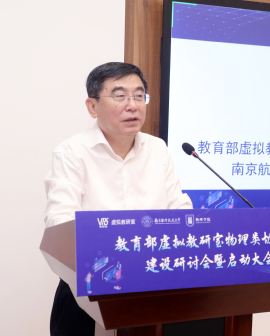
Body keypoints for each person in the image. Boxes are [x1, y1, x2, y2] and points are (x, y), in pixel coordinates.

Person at [45, 62, 192, 336]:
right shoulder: (72, 153)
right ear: (92, 106)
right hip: (87, 287)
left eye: (139, 96)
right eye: (120, 96)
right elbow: (60, 222)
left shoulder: (158, 149)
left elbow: (179, 209)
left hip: (152, 283)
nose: (132, 106)